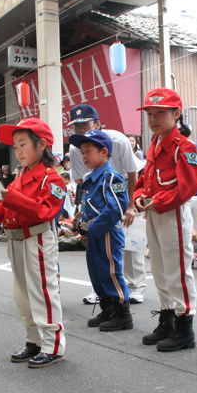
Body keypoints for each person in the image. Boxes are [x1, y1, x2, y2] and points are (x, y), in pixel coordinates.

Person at [0, 118, 66, 368]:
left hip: (37, 237)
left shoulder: (52, 179)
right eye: (15, 146)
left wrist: (12, 199)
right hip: (17, 238)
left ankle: (53, 345)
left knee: (42, 291)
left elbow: (45, 212)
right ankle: (34, 340)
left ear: (42, 145)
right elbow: (8, 214)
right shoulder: (20, 177)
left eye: (22, 144)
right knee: (23, 294)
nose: (18, 151)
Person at [133, 88, 197, 352]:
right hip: (153, 211)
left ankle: (185, 326)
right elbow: (144, 181)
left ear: (176, 113)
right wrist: (139, 195)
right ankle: (167, 317)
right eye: (150, 113)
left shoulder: (184, 146)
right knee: (160, 268)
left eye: (160, 113)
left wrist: (157, 200)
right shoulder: (154, 144)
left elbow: (189, 186)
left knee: (177, 270)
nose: (153, 118)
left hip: (172, 212)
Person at [67, 104, 146, 304]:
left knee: (129, 243)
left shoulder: (118, 139)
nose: (81, 130)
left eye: (85, 124)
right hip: (97, 197)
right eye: (76, 126)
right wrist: (82, 212)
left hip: (121, 189)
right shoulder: (75, 147)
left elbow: (131, 172)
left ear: (98, 124)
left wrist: (128, 206)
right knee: (97, 252)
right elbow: (81, 180)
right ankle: (101, 290)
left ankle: (135, 287)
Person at [71, 130, 131, 331]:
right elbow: (89, 205)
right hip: (94, 232)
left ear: (104, 152)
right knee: (96, 271)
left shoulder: (111, 177)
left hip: (106, 232)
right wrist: (81, 222)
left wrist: (92, 228)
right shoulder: (91, 178)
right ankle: (107, 308)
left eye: (88, 151)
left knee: (110, 271)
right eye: (82, 152)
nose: (84, 156)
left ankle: (122, 312)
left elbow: (116, 207)